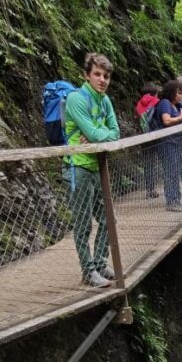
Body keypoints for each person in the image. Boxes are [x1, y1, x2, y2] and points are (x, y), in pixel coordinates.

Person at [63, 52, 120, 288]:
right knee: (83, 223)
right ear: (87, 75)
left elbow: (114, 134)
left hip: (98, 168)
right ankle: (88, 272)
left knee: (108, 219)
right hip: (78, 168)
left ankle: (99, 263)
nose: (102, 80)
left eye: (106, 76)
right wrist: (100, 135)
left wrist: (100, 136)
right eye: (97, 74)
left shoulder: (104, 100)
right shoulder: (77, 99)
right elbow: (99, 134)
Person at [153, 79, 182, 212]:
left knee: (175, 171)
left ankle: (177, 198)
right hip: (166, 143)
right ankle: (171, 201)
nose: (181, 95)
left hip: (175, 143)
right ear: (171, 92)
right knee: (170, 172)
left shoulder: (175, 105)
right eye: (178, 92)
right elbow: (167, 120)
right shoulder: (164, 103)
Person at [134, 82, 161, 199]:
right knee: (159, 162)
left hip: (143, 137)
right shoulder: (156, 102)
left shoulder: (138, 104)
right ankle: (160, 190)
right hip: (156, 136)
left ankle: (149, 190)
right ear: (154, 93)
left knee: (147, 164)